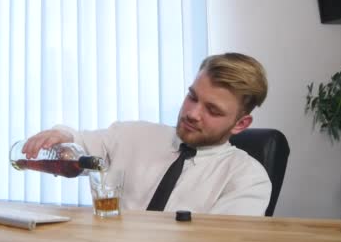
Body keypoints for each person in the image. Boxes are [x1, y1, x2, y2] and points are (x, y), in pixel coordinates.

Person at [22, 52, 271, 216]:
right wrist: (60, 136)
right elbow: (79, 143)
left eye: (213, 110)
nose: (193, 113)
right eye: (192, 97)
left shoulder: (248, 178)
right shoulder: (133, 135)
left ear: (241, 124)